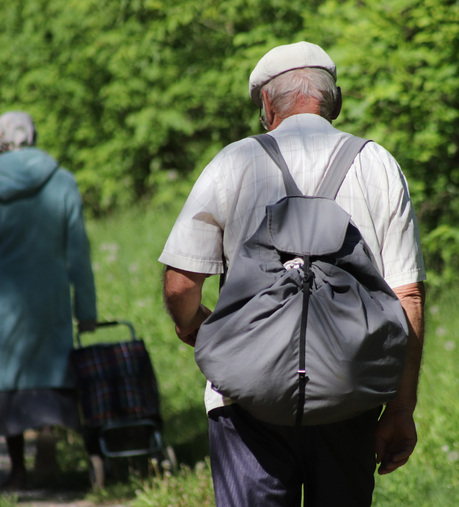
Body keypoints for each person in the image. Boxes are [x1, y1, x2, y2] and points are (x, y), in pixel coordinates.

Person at [159, 42, 426, 505]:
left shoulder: (234, 162)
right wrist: (400, 408)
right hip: (349, 395)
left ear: (266, 104)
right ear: (334, 101)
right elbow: (410, 299)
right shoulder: (377, 164)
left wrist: (200, 330)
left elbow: (181, 284)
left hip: (246, 400)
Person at [0, 111, 97, 489]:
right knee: (48, 371)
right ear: (32, 136)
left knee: (6, 377)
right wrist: (87, 311)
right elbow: (78, 254)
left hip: (3, 303)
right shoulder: (62, 181)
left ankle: (17, 469)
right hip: (50, 300)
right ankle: (47, 442)